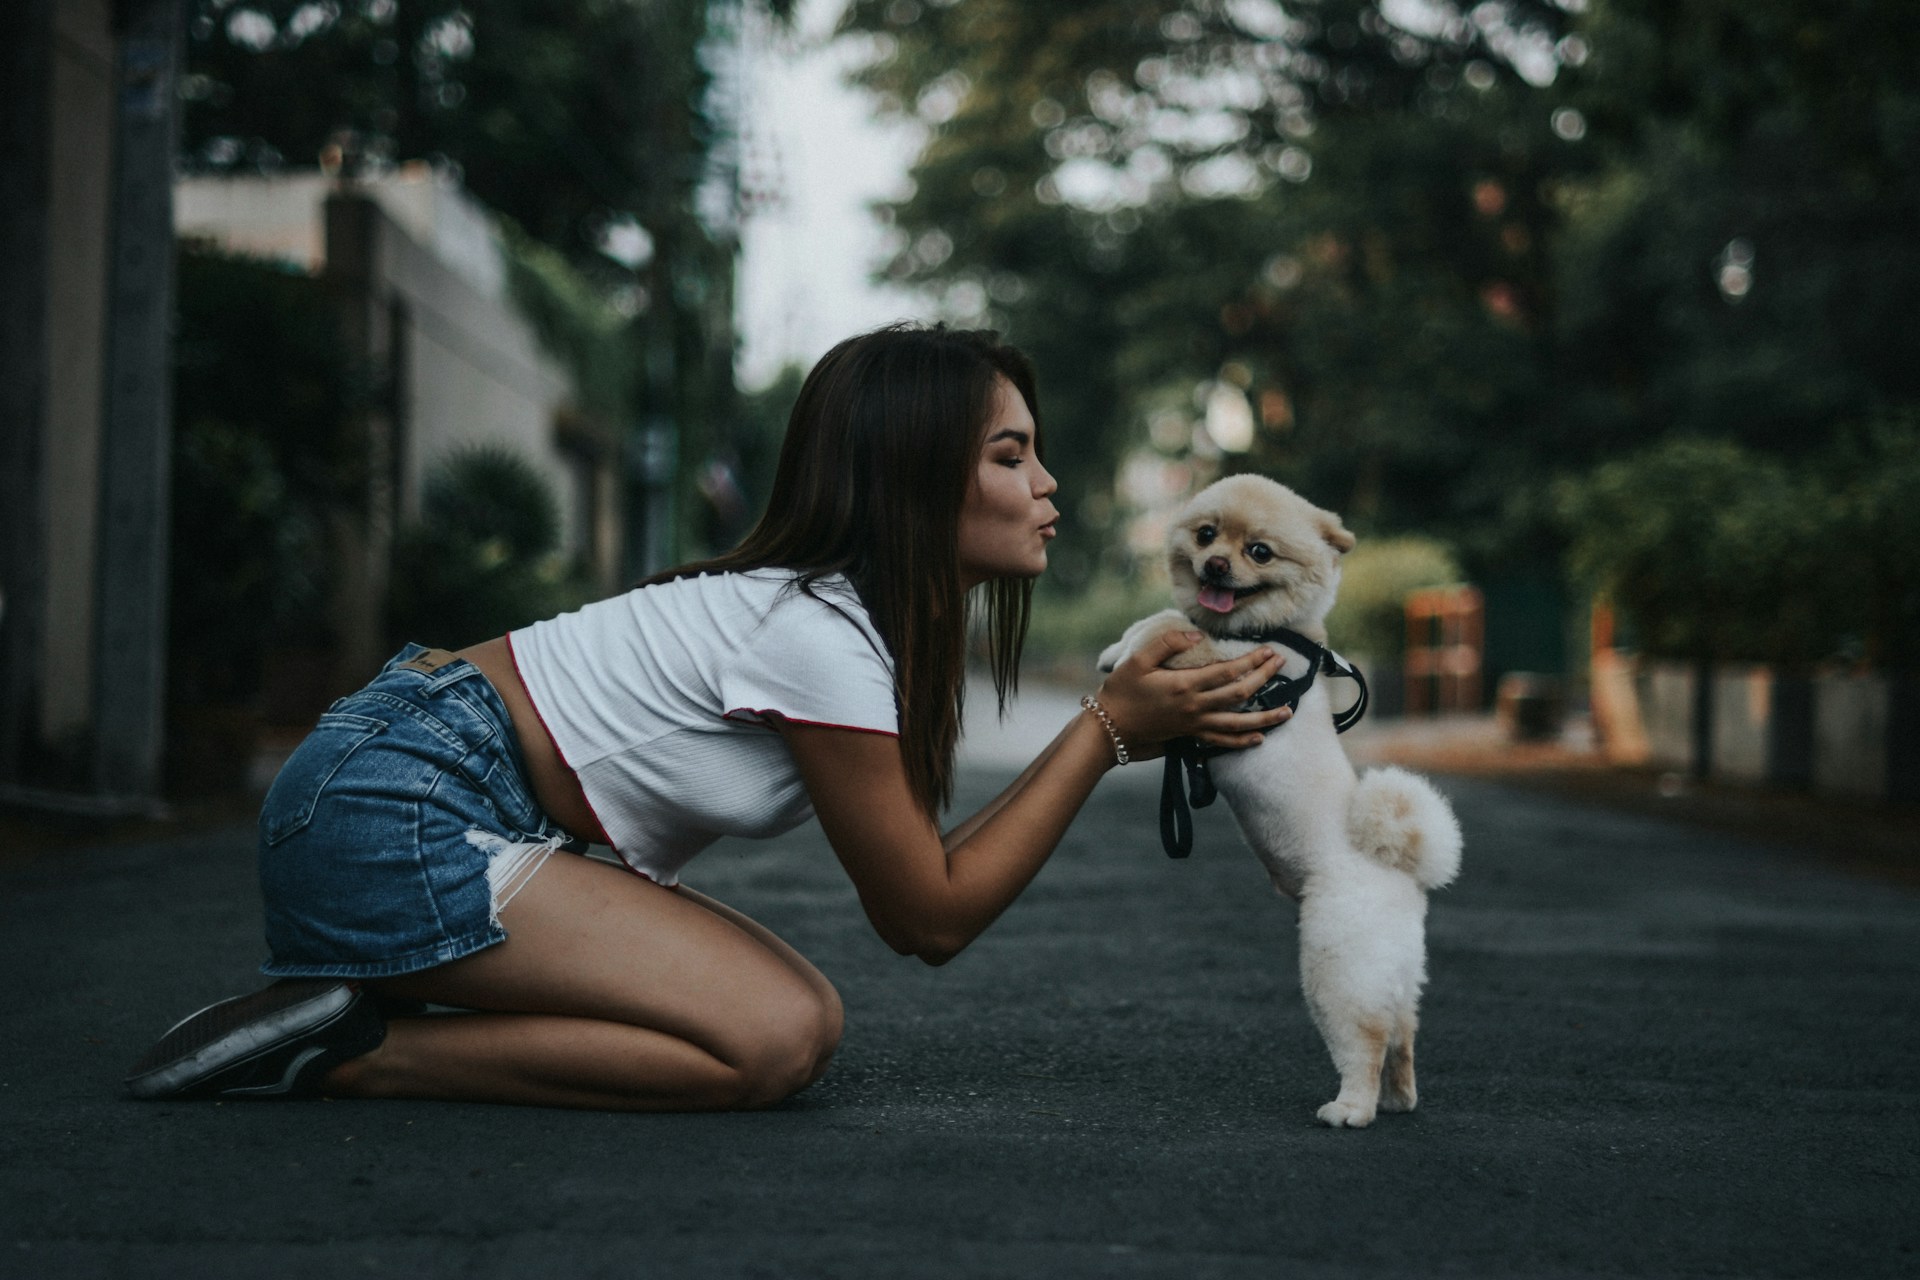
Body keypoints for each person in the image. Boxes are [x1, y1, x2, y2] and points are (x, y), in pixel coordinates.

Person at [125, 324, 1291, 1111]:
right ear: (915, 476)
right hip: (393, 804)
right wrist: (1105, 729)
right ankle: (356, 1052)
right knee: (772, 1034)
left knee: (796, 1026)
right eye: (1010, 453)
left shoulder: (851, 631)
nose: (1048, 485)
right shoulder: (817, 633)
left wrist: (1139, 710)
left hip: (422, 791)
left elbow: (920, 888)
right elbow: (928, 916)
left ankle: (354, 1013)